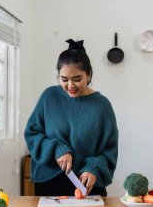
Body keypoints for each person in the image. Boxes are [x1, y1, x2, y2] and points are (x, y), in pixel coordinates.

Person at [24, 39, 119, 197]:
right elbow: (32, 133)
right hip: (49, 182)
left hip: (87, 184)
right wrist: (57, 149)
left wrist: (93, 168)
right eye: (64, 79)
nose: (70, 85)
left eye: (77, 79)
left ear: (88, 75)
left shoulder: (102, 106)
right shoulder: (49, 97)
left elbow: (109, 150)